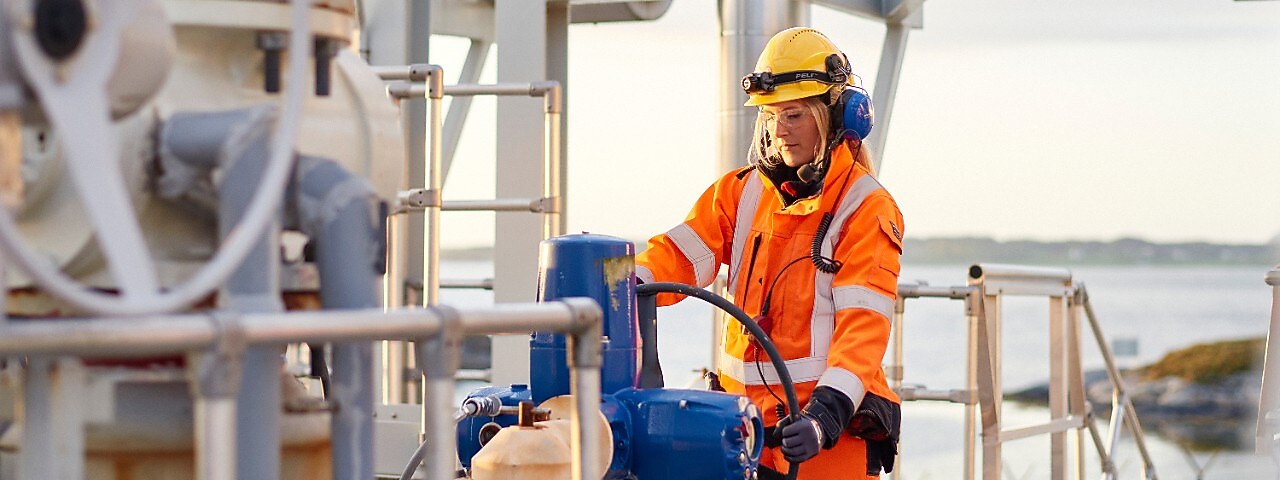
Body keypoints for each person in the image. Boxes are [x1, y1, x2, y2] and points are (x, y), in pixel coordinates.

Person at [635, 27, 903, 479]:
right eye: (771, 116)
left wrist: (825, 416)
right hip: (743, 433)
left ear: (838, 117)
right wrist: (617, 285)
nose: (779, 131)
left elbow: (864, 330)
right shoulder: (739, 193)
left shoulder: (866, 207)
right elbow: (675, 258)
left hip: (821, 441)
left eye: (795, 115)